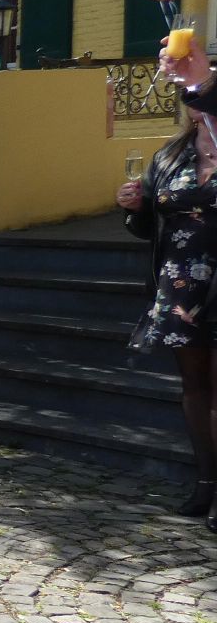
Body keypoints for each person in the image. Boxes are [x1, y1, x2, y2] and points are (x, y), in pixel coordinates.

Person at [119, 48, 217, 526]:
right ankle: (207, 480)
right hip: (180, 285)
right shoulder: (170, 155)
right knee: (195, 386)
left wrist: (202, 81)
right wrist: (134, 208)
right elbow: (149, 228)